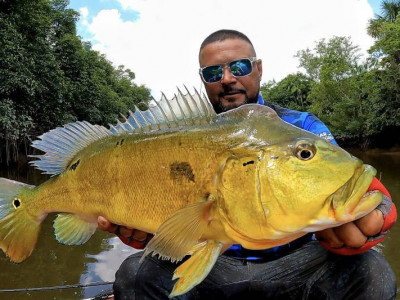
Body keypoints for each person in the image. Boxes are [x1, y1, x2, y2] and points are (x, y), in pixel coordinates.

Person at [98, 29, 397, 299]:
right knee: (136, 275)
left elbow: (347, 178)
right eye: (213, 73)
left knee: (373, 272)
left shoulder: (300, 126)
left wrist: (378, 205)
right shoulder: (176, 138)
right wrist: (162, 239)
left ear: (259, 69)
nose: (227, 78)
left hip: (298, 261)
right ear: (203, 80)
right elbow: (175, 225)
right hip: (215, 265)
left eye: (239, 67)